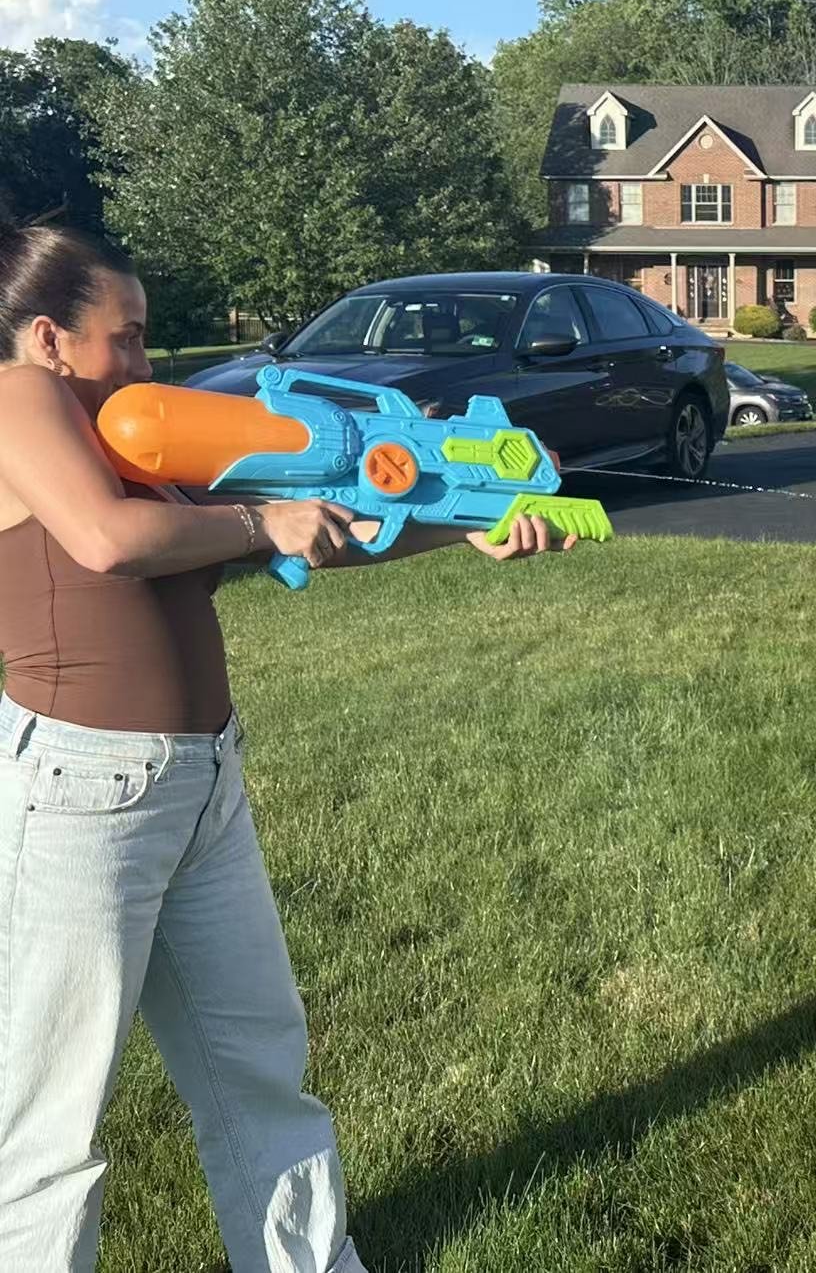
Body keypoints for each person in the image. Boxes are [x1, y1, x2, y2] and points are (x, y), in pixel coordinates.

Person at [0, 219, 575, 1272]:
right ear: (46, 336)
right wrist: (263, 523)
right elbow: (104, 541)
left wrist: (471, 524)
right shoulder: (15, 399)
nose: (140, 359)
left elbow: (304, 525)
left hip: (200, 780)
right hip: (83, 790)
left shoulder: (139, 437)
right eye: (122, 337)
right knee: (50, 1120)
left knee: (259, 1074)